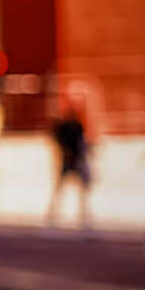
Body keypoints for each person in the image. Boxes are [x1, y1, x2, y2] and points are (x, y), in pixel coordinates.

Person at [47, 95, 92, 227]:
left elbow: (80, 143)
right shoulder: (66, 127)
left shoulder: (75, 126)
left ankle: (82, 213)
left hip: (74, 160)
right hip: (70, 160)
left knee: (77, 188)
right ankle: (54, 212)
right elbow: (59, 140)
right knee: (63, 187)